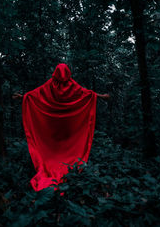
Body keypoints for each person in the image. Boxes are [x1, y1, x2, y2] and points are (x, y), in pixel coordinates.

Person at [13, 63, 110, 193]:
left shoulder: (52, 84)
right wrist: (100, 96)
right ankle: (68, 167)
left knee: (55, 146)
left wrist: (23, 97)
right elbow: (86, 93)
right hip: (68, 126)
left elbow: (37, 93)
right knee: (66, 146)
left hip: (53, 126)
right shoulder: (71, 84)